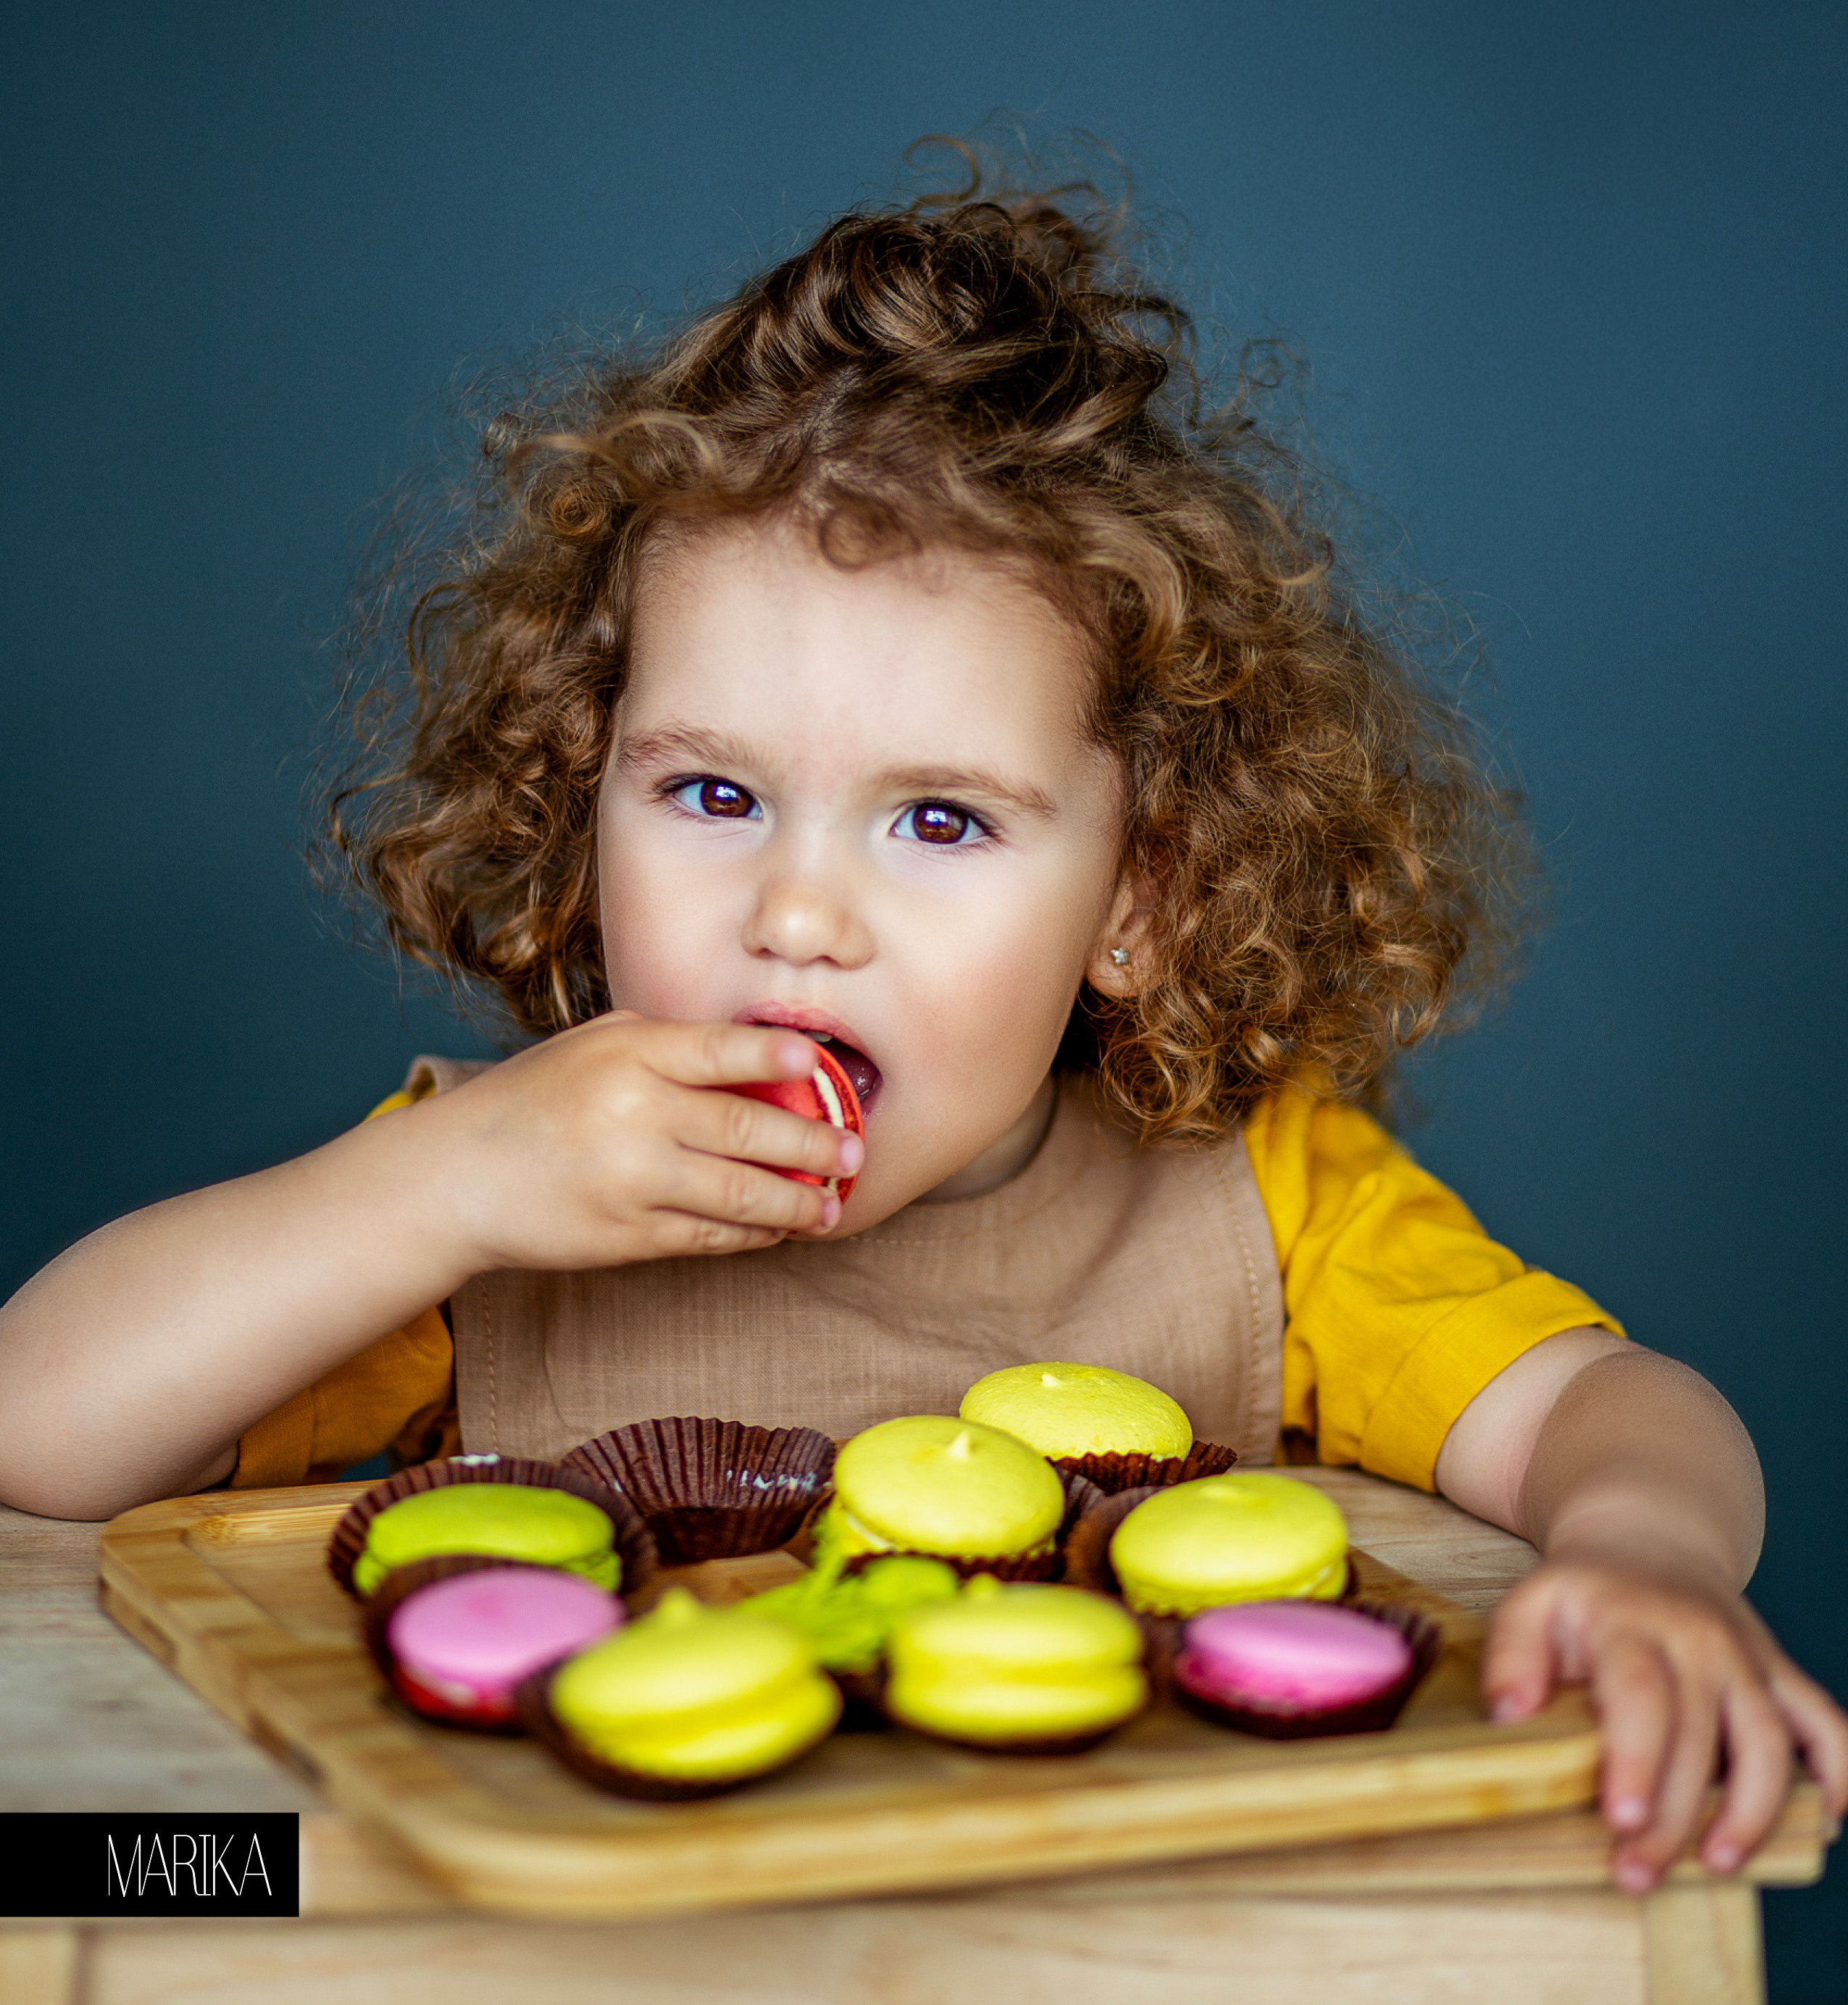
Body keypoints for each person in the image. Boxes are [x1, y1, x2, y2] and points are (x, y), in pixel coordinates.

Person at [1, 164, 1841, 1890]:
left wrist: (1645, 1554)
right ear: (583, 794)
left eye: (939, 819)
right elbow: (40, 1425)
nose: (798, 913)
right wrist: (430, 1194)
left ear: (1144, 896)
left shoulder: (1267, 1208)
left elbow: (1613, 1409)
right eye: (711, 797)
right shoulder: (494, 1201)